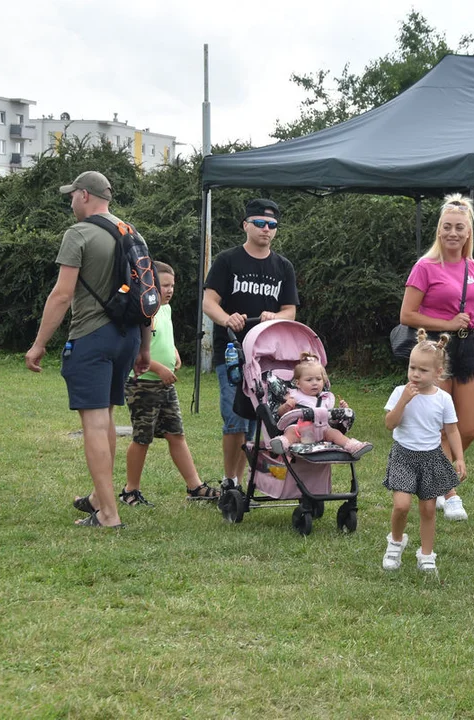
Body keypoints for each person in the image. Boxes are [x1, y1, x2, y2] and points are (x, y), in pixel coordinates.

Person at [25, 171, 150, 529]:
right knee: (106, 417)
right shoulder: (132, 232)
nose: (69, 202)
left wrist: (38, 345)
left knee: (94, 423)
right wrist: (143, 346)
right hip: (126, 336)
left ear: (84, 195)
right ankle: (100, 497)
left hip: (92, 336)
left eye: (71, 195)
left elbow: (62, 294)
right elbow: (145, 293)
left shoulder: (78, 234)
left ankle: (108, 514)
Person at [398, 194, 474, 522]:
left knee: (468, 428)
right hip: (434, 349)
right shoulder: (425, 267)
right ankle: (449, 492)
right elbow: (407, 315)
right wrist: (445, 324)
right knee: (434, 424)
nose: (453, 233)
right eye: (447, 227)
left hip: (468, 348)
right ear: (439, 231)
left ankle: (434, 479)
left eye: (459, 227)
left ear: (469, 232)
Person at [203, 198, 298, 490]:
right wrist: (226, 319)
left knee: (257, 420)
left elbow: (290, 311)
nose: (266, 229)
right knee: (234, 419)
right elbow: (209, 302)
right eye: (259, 223)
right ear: (245, 225)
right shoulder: (227, 260)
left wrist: (275, 316)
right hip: (232, 353)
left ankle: (242, 480)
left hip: (266, 356)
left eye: (271, 225)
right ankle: (230, 479)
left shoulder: (283, 266)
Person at [123, 262, 219, 506]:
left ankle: (194, 486)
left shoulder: (165, 309)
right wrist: (158, 368)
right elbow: (133, 349)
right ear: (150, 285)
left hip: (165, 386)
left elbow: (163, 337)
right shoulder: (142, 309)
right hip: (143, 383)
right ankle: (130, 490)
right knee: (142, 438)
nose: (170, 290)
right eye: (164, 285)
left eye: (172, 285)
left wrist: (173, 351)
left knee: (176, 434)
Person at [382, 330, 466, 573]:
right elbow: (390, 424)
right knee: (401, 505)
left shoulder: (443, 399)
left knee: (428, 508)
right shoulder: (400, 392)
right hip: (403, 457)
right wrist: (404, 401)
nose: (415, 374)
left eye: (423, 370)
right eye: (412, 368)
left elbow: (452, 431)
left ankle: (427, 555)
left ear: (438, 373)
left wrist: (459, 458)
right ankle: (395, 543)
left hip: (430, 458)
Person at [268, 351, 373, 458]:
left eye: (318, 379)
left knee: (335, 434)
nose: (315, 383)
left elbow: (330, 419)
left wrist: (340, 411)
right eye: (309, 380)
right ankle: (282, 443)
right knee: (291, 433)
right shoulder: (293, 395)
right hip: (300, 429)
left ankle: (352, 446)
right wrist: (286, 406)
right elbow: (279, 413)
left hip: (322, 430)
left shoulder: (325, 398)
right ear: (298, 383)